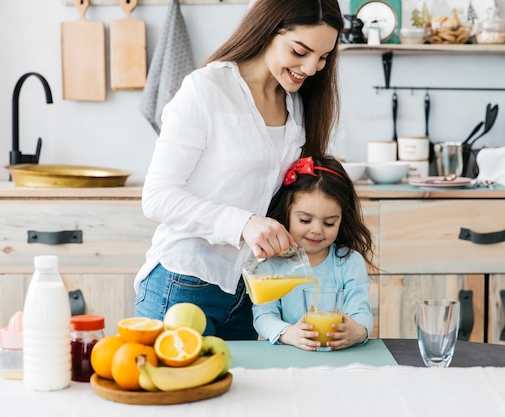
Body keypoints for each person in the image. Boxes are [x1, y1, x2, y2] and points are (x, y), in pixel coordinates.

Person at [134, 0, 344, 340]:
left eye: (322, 58)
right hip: (183, 285)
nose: (310, 68)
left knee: (241, 394)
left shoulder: (296, 103)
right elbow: (157, 197)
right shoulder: (207, 90)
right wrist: (243, 223)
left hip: (249, 294)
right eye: (300, 51)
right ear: (269, 30)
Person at [253, 156, 376, 351]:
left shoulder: (349, 263)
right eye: (305, 220)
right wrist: (289, 333)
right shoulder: (271, 265)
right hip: (290, 356)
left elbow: (361, 312)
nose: (317, 230)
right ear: (287, 212)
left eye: (329, 223)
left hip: (340, 358)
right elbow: (263, 316)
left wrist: (358, 331)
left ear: (342, 219)